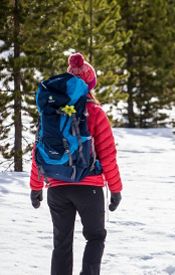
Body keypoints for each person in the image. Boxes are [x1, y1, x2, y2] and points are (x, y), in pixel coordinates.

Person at [29, 52, 123, 275]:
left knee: (61, 244)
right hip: (88, 188)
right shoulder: (96, 113)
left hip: (56, 187)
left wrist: (35, 186)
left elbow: (38, 150)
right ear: (90, 85)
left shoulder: (51, 112)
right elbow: (108, 156)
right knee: (96, 237)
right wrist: (116, 190)